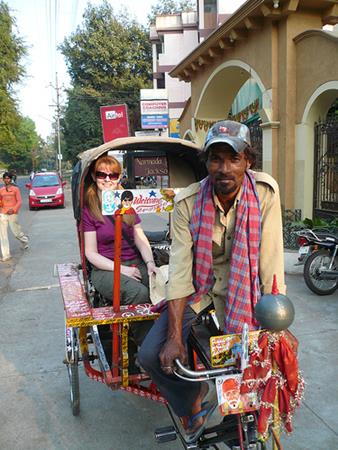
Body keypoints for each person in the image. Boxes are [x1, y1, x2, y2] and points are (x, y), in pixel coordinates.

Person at [138, 120, 286, 441]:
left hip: (246, 295)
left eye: (233, 159)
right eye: (216, 159)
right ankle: (192, 402)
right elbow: (179, 272)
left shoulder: (264, 193)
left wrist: (275, 321)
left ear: (248, 161)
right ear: (206, 163)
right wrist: (174, 336)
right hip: (199, 291)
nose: (224, 168)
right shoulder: (188, 202)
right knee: (151, 355)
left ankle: (248, 418)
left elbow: (271, 262)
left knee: (259, 360)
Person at [82, 155, 157, 354]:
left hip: (135, 261)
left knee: (164, 288)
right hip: (105, 267)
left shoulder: (127, 202)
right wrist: (122, 270)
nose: (107, 179)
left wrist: (150, 262)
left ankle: (164, 339)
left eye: (112, 175)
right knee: (139, 293)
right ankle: (147, 350)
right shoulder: (89, 208)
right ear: (93, 175)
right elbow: (90, 252)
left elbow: (139, 236)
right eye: (101, 174)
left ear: (119, 177)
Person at [0, 172, 29, 262]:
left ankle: (25, 240)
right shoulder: (1, 190)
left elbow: (19, 201)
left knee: (16, 233)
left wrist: (13, 209)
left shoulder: (15, 189)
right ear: (3, 180)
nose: (7, 180)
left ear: (11, 179)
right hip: (3, 213)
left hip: (13, 213)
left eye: (8, 178)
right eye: (5, 178)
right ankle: (6, 255)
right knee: (3, 235)